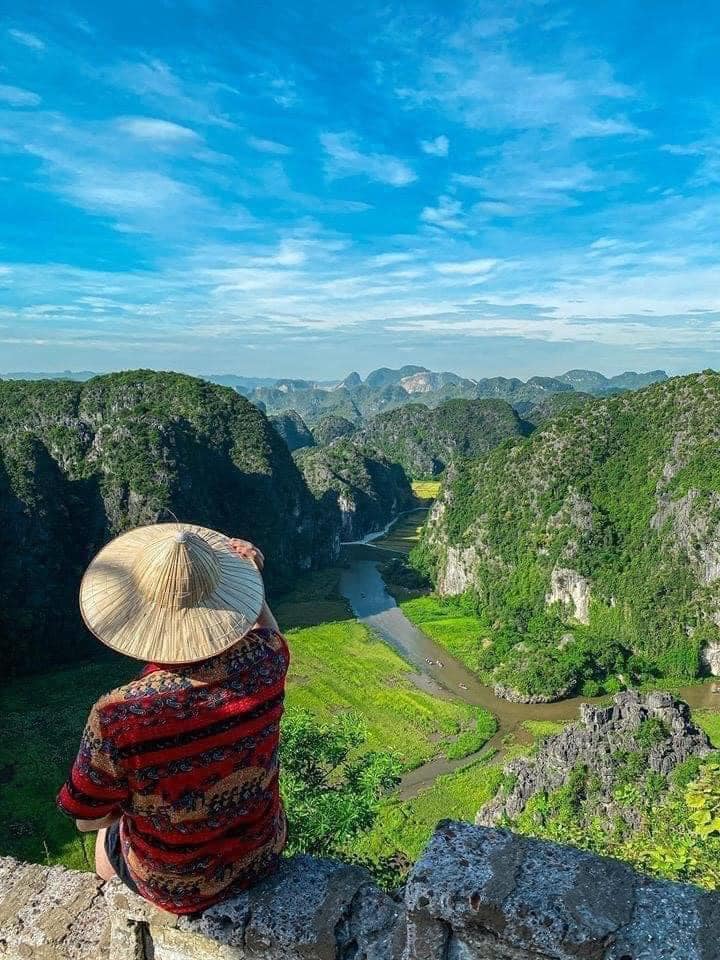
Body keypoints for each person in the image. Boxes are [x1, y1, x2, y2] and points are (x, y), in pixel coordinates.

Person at [57, 523, 288, 916]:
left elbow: (85, 812)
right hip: (263, 851)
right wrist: (252, 575)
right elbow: (269, 633)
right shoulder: (268, 661)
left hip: (175, 885)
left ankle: (119, 916)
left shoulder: (118, 715)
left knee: (103, 837)